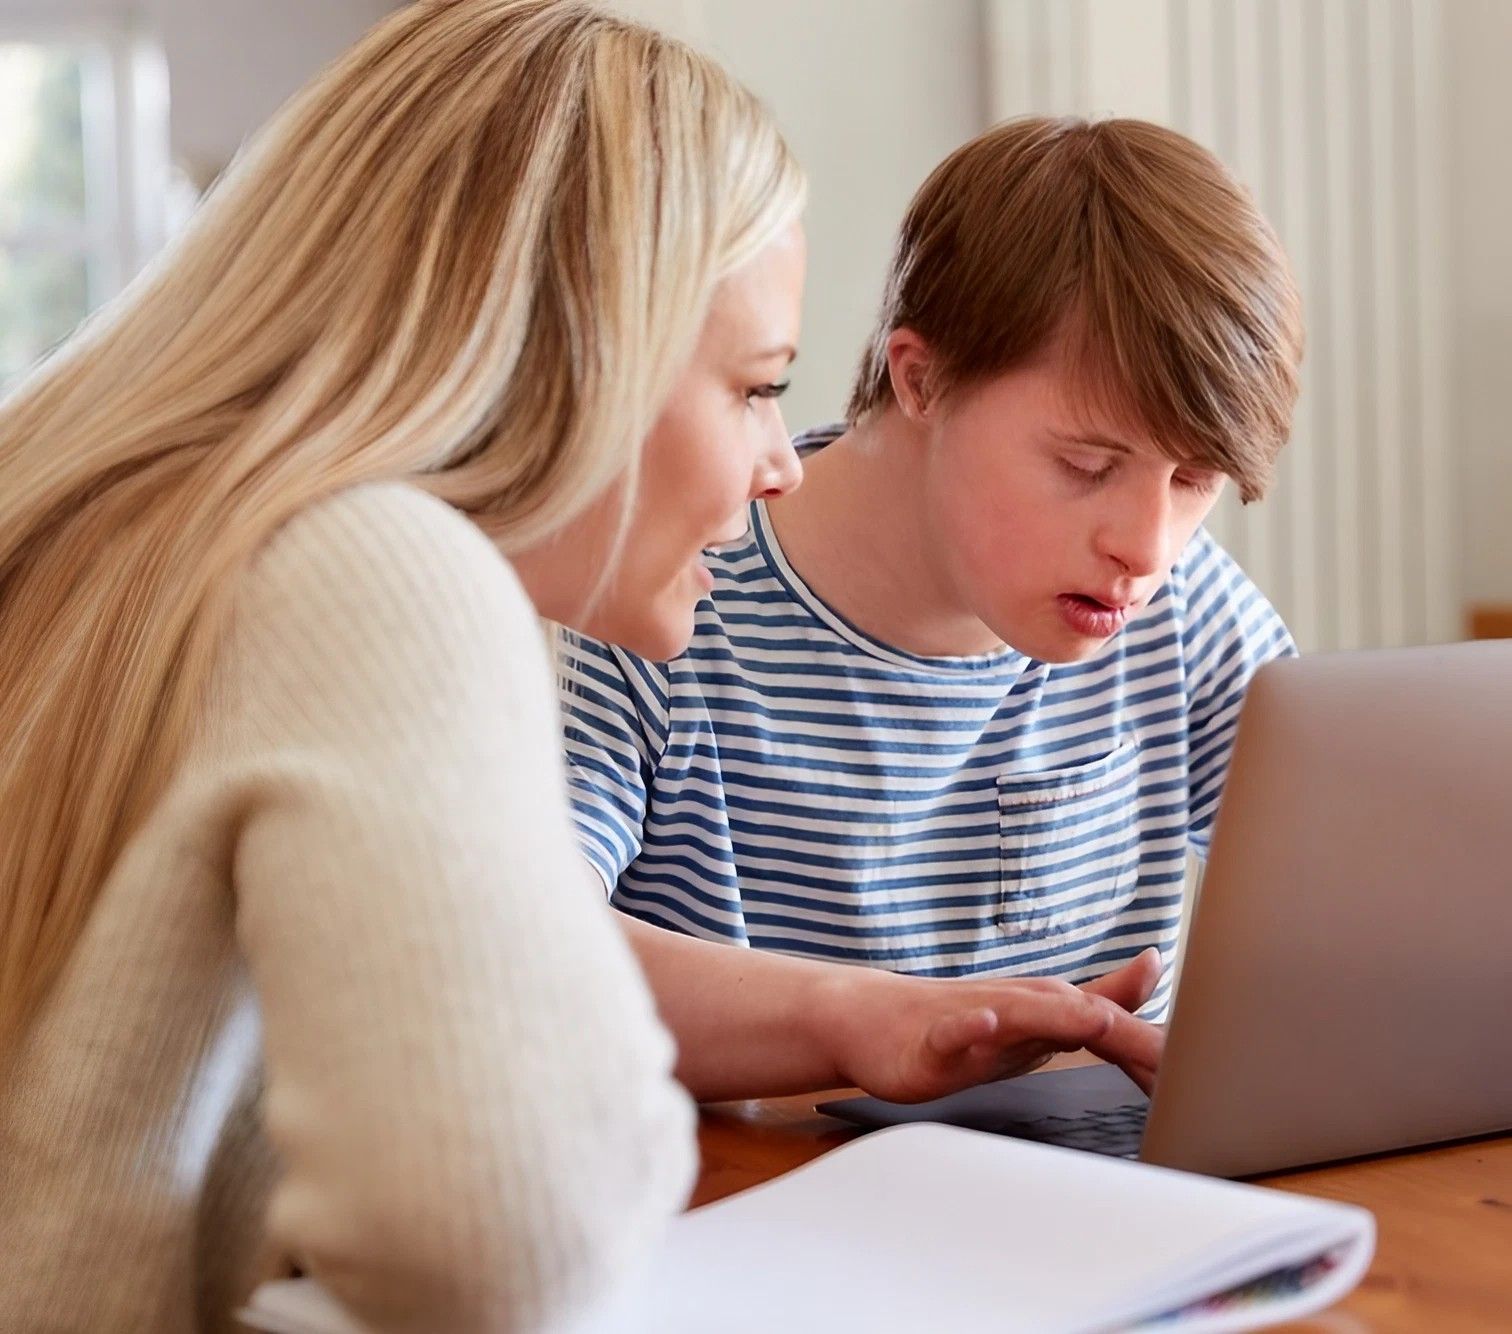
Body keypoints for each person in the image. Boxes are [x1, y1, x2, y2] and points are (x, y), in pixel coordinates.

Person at [0, 2, 819, 1329]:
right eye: (754, 385)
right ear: (582, 341)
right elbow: (505, 1232)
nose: (782, 461)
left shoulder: (119, 527)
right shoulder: (371, 569)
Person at [561, 115, 1302, 1105]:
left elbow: (1366, 896)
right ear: (922, 378)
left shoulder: (1185, 607)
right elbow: (523, 943)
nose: (1148, 544)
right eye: (1088, 465)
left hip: (1103, 1210)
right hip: (769, 1213)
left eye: (1194, 479)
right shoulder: (663, 595)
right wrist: (859, 1017)